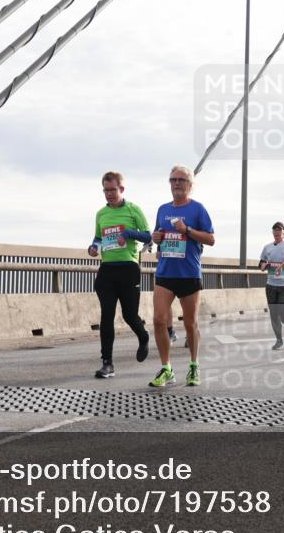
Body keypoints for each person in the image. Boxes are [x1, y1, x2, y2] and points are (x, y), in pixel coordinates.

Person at [149, 165, 215, 388]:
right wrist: (157, 238)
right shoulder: (162, 209)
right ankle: (166, 368)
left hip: (189, 274)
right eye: (173, 180)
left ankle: (194, 364)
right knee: (158, 320)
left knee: (190, 324)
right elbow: (159, 237)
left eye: (181, 180)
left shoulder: (198, 209)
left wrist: (187, 230)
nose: (176, 183)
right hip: (165, 272)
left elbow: (210, 239)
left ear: (190, 185)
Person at [88, 171, 152, 379]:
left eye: (112, 190)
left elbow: (148, 236)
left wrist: (128, 234)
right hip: (107, 270)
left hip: (128, 268)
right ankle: (107, 363)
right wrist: (93, 247)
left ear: (121, 189)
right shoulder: (101, 214)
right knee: (106, 315)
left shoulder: (134, 210)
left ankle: (143, 336)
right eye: (106, 190)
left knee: (129, 315)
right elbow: (98, 237)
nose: (109, 194)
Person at [259, 222, 284, 350]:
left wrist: (282, 265)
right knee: (273, 314)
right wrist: (264, 266)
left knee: (283, 313)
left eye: (279, 233)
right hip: (271, 285)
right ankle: (279, 340)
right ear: (273, 233)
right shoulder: (267, 247)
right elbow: (261, 263)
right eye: (275, 233)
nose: (277, 235)